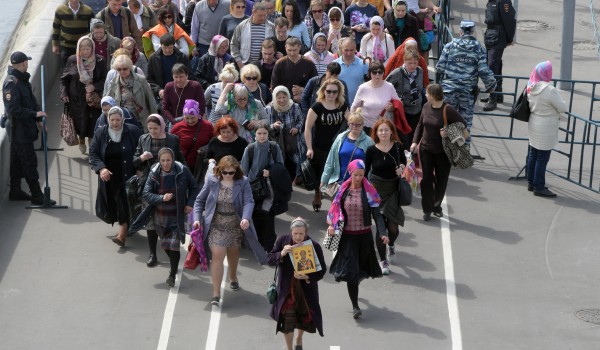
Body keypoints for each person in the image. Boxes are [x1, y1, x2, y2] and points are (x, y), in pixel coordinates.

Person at [193, 155, 268, 306]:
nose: (228, 175)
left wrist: (246, 218)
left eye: (231, 172)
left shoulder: (243, 182)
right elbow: (199, 200)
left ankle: (233, 276)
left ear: (236, 171)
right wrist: (196, 218)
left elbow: (249, 201)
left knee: (233, 252)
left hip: (235, 225)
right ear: (220, 170)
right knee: (218, 255)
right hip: (216, 225)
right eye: (225, 172)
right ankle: (216, 294)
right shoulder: (212, 180)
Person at [326, 159, 388, 319]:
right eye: (356, 175)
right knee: (351, 272)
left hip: (364, 237)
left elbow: (377, 215)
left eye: (362, 175)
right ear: (350, 173)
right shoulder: (342, 190)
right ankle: (355, 306)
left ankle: (356, 282)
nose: (359, 178)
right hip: (347, 238)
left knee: (360, 270)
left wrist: (382, 233)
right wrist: (332, 225)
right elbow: (335, 210)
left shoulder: (369, 192)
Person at [130, 148, 199, 286]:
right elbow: (146, 193)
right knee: (166, 245)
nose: (166, 163)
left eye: (168, 160)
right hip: (160, 215)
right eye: (163, 160)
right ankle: (174, 265)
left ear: (173, 159)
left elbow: (194, 188)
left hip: (177, 215)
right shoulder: (154, 173)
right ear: (159, 161)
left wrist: (190, 203)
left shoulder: (182, 170)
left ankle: (172, 275)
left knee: (174, 245)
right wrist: (162, 198)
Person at [3, 52, 56, 204]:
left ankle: (15, 190)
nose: (27, 64)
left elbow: (32, 102)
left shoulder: (22, 80)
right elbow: (13, 110)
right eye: (26, 62)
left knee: (17, 161)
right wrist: (34, 114)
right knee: (29, 162)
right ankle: (37, 196)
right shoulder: (12, 83)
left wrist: (38, 118)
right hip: (18, 129)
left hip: (24, 127)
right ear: (23, 63)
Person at [133, 114, 186, 264]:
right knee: (149, 221)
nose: (153, 131)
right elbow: (135, 161)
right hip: (149, 186)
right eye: (150, 128)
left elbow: (181, 161)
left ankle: (171, 251)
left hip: (169, 185)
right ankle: (152, 254)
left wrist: (185, 180)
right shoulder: (143, 139)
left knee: (166, 219)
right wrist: (142, 158)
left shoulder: (172, 139)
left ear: (162, 126)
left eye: (155, 128)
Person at [410, 84, 466, 221]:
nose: (425, 95)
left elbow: (463, 127)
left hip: (443, 152)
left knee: (441, 181)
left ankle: (437, 206)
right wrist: (414, 142)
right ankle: (427, 209)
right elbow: (420, 125)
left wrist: (448, 133)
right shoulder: (426, 107)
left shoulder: (448, 110)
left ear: (434, 95)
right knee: (426, 180)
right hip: (426, 150)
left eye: (427, 93)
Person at [268, 217, 326, 350]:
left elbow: (322, 270)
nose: (298, 237)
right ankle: (289, 348)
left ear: (306, 233)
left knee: (304, 318)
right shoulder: (283, 240)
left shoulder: (314, 246)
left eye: (301, 234)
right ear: (291, 232)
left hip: (306, 290)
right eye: (295, 233)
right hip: (287, 290)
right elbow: (270, 259)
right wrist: (281, 253)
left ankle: (299, 339)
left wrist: (306, 277)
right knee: (287, 322)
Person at [89, 106, 143, 246]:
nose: (115, 123)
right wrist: (101, 169)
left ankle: (122, 233)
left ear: (123, 119)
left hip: (127, 174)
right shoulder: (101, 132)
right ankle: (125, 226)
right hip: (109, 175)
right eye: (112, 119)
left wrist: (139, 168)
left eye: (118, 120)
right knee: (114, 201)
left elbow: (142, 150)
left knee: (123, 200)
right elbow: (93, 153)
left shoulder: (133, 131)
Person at [436, 20, 496, 136]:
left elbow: (440, 67)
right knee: (464, 124)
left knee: (447, 122)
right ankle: (463, 150)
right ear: (473, 32)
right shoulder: (479, 48)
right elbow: (483, 70)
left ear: (460, 32)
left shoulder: (449, 46)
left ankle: (447, 151)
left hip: (449, 90)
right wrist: (492, 86)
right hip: (467, 92)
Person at [364, 118, 406, 275]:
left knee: (393, 229)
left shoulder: (397, 147)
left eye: (386, 130)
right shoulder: (371, 151)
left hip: (393, 190)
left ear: (391, 132)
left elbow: (403, 161)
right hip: (376, 191)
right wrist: (364, 190)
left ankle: (392, 245)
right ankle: (383, 261)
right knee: (381, 229)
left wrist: (401, 167)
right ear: (376, 133)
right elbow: (365, 172)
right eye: (380, 130)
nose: (383, 133)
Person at [304, 78, 348, 211]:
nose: (331, 94)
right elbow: (307, 128)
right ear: (323, 91)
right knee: (321, 174)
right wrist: (309, 148)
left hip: (337, 147)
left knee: (335, 175)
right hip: (320, 147)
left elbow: (351, 121)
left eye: (335, 92)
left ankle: (335, 201)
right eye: (329, 91)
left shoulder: (342, 105)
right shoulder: (317, 107)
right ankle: (318, 193)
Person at [525, 61, 568, 198]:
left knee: (533, 154)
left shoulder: (530, 86)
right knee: (542, 158)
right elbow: (563, 108)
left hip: (534, 122)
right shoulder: (549, 90)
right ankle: (539, 187)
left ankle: (531, 182)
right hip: (546, 125)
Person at [240, 121, 285, 250]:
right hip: (253, 188)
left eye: (264, 133)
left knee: (268, 215)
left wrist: (271, 172)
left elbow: (281, 167)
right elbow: (244, 171)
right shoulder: (249, 149)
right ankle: (255, 243)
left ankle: (269, 244)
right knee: (254, 215)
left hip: (269, 189)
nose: (262, 136)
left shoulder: (274, 147)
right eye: (259, 133)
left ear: (268, 134)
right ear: (255, 134)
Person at [59, 37, 108, 155]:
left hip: (93, 98)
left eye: (88, 49)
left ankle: (92, 146)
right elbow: (64, 80)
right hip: (76, 99)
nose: (86, 52)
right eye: (83, 49)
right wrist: (64, 93)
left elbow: (105, 79)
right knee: (80, 122)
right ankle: (81, 140)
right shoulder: (72, 60)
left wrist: (94, 86)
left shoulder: (100, 60)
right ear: (79, 49)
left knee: (93, 121)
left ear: (92, 48)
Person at [321, 109, 374, 192]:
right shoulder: (340, 138)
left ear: (363, 125)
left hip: (359, 186)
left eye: (357, 125)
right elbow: (330, 161)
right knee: (336, 205)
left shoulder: (369, 141)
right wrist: (324, 180)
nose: (354, 127)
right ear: (348, 124)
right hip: (338, 184)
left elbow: (372, 166)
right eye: (351, 124)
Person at [105, 55, 157, 131]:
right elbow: (109, 101)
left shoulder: (141, 80)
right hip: (122, 121)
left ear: (130, 67)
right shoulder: (114, 82)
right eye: (119, 69)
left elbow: (151, 100)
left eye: (125, 69)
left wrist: (154, 118)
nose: (122, 71)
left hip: (140, 120)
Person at [481, 0, 516, 111]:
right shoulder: (491, 1)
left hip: (498, 36)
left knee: (491, 67)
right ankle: (498, 94)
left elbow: (510, 20)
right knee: (495, 65)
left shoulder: (503, 1)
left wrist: (509, 38)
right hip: (490, 35)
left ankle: (493, 98)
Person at [385, 49, 424, 147]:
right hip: (403, 112)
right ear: (404, 61)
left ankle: (413, 158)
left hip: (417, 110)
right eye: (409, 63)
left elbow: (421, 87)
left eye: (415, 63)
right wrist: (395, 100)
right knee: (404, 140)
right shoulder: (397, 73)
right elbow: (386, 86)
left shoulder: (420, 71)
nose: (412, 66)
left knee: (414, 138)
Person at [350, 60, 399, 134]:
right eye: (374, 72)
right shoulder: (363, 87)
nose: (377, 75)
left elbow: (398, 104)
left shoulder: (389, 86)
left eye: (380, 72)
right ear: (370, 73)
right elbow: (354, 107)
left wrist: (392, 107)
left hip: (384, 128)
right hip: (366, 127)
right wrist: (352, 124)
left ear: (383, 73)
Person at [266, 86, 304, 180]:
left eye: (284, 97)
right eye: (279, 98)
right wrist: (273, 126)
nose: (282, 100)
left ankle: (289, 184)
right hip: (276, 142)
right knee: (278, 165)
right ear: (275, 97)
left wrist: (297, 128)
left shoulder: (294, 106)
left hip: (291, 142)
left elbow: (301, 120)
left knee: (292, 166)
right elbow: (265, 126)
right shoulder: (269, 108)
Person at [171, 99, 214, 175]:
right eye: (187, 118)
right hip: (184, 166)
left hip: (202, 166)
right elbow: (171, 146)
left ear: (198, 115)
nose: (190, 121)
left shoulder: (208, 126)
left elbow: (213, 143)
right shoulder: (177, 127)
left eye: (193, 118)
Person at [146, 34, 191, 106]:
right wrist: (159, 90)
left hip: (180, 94)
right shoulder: (153, 58)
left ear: (174, 45)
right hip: (161, 97)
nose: (167, 50)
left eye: (170, 48)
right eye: (165, 47)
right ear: (160, 45)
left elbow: (190, 76)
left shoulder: (182, 57)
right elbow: (149, 79)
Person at [271, 37, 318, 103]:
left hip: (305, 101)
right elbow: (275, 87)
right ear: (285, 47)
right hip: (284, 102)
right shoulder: (280, 64)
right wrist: (291, 97)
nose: (292, 53)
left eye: (294, 50)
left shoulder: (309, 63)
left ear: (299, 47)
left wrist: (303, 90)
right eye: (289, 50)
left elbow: (316, 85)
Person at [230, 2, 275, 69]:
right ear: (253, 12)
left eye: (264, 15)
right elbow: (234, 45)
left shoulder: (271, 26)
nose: (263, 18)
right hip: (246, 65)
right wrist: (240, 63)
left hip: (265, 66)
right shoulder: (242, 26)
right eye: (260, 15)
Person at [333, 37, 367, 105]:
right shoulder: (334, 64)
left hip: (357, 107)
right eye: (346, 50)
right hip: (338, 106)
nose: (349, 53)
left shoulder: (364, 65)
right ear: (341, 49)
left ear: (355, 49)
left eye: (352, 50)